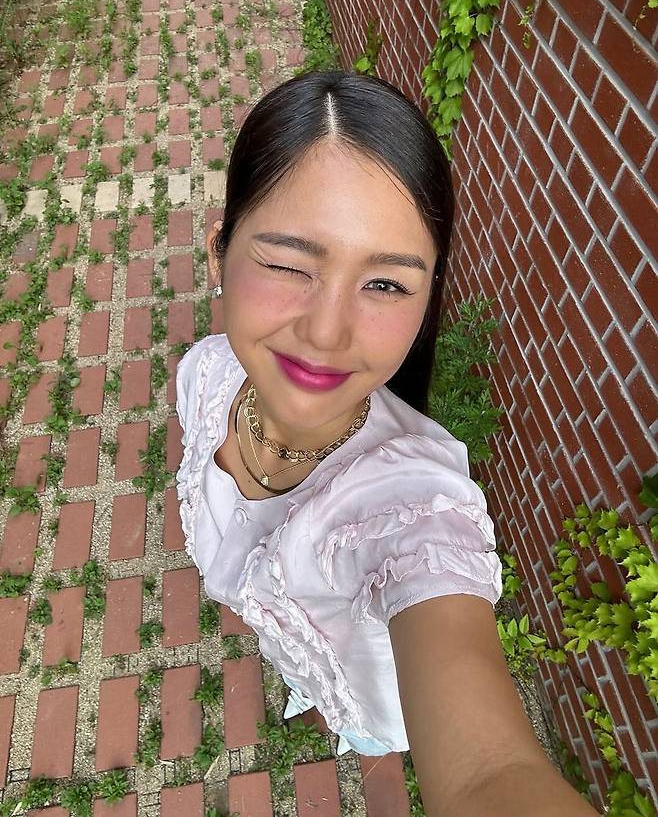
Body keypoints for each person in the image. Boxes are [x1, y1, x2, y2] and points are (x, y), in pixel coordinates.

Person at [175, 69, 600, 815]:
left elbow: (488, 774)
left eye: (386, 285)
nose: (327, 332)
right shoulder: (205, 375)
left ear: (428, 298)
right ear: (219, 251)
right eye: (288, 264)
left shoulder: (415, 508)